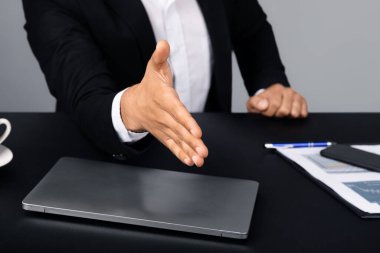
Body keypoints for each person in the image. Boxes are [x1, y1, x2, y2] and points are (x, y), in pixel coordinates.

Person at [22, 0, 308, 167]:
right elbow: (83, 92)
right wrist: (133, 109)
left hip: (210, 163)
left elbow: (251, 28)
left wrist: (269, 85)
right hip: (105, 170)